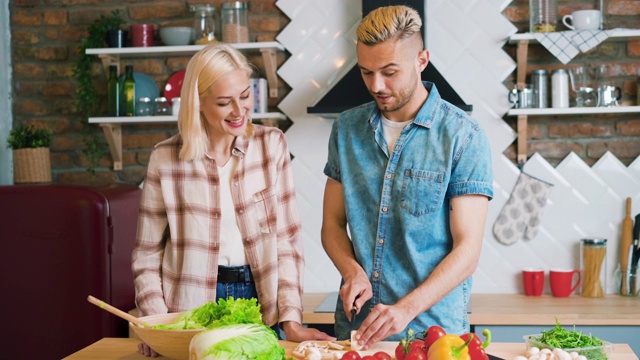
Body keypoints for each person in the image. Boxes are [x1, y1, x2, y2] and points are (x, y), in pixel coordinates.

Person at [132, 43, 333, 357]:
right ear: (198, 103)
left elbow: (287, 241)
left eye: (244, 95)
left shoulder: (271, 146)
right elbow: (146, 256)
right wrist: (156, 323)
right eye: (225, 103)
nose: (240, 111)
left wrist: (291, 318)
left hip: (257, 297)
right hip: (188, 307)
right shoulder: (165, 159)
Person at [321, 5, 494, 350]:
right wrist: (351, 269)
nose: (376, 85)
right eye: (366, 72)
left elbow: (468, 250)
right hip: (359, 331)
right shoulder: (346, 130)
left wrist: (406, 309)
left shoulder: (463, 136)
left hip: (435, 335)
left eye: (389, 72)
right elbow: (332, 225)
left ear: (421, 59)